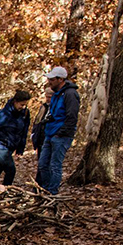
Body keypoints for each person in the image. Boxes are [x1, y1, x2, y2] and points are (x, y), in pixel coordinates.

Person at [36, 66, 80, 195]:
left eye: (52, 79)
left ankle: (52, 193)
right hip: (50, 133)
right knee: (43, 164)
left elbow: (72, 116)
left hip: (61, 135)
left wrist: (62, 132)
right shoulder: (56, 94)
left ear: (60, 79)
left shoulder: (70, 94)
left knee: (55, 165)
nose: (49, 82)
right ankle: (45, 189)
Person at [31, 86, 54, 152]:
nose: (47, 99)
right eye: (46, 97)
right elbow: (37, 121)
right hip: (40, 136)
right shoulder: (43, 107)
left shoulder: (56, 108)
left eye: (49, 97)